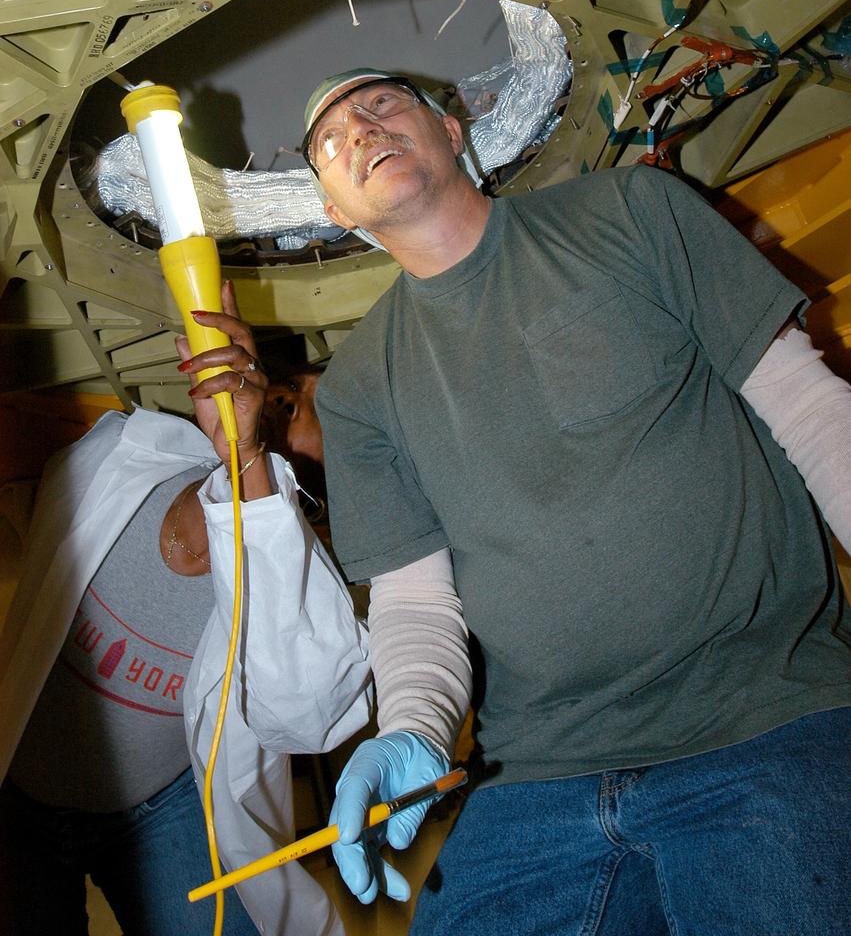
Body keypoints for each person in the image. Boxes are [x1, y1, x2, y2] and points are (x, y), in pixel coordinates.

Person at [300, 68, 851, 934]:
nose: (359, 131)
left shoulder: (631, 211)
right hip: (533, 780)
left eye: (380, 106)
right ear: (336, 214)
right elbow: (413, 600)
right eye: (329, 143)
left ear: (452, 131)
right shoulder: (357, 388)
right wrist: (409, 728)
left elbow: (812, 411)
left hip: (766, 723)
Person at [0, 283, 371, 936]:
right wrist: (240, 448)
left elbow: (309, 715)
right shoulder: (119, 464)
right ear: (276, 395)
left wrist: (246, 456)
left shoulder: (305, 584)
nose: (352, 449)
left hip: (164, 809)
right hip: (15, 803)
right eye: (324, 406)